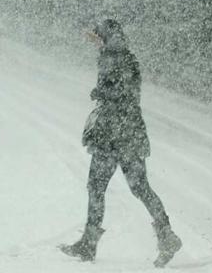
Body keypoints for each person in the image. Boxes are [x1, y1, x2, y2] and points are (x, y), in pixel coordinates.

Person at [60, 19, 181, 268]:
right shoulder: (123, 56)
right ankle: (166, 235)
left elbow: (123, 93)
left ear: (105, 37)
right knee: (140, 187)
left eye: (96, 36)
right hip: (131, 133)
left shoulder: (113, 57)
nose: (93, 40)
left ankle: (89, 244)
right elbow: (129, 92)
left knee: (96, 186)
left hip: (113, 135)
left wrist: (102, 94)